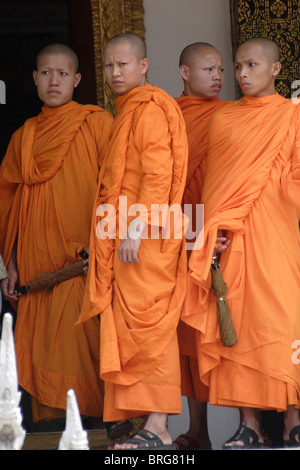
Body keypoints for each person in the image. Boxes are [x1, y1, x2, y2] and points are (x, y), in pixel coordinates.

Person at [182, 36, 300, 448]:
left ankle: (292, 421)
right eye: (238, 66)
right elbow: (215, 185)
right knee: (236, 326)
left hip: (276, 234)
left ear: (276, 70)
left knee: (282, 322)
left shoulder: (292, 116)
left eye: (251, 65)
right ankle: (248, 424)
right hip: (231, 238)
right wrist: (211, 231)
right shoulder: (224, 118)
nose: (242, 74)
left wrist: (274, 184)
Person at [78, 33, 188, 450]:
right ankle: (142, 421)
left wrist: (136, 228)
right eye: (108, 65)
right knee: (129, 329)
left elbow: (157, 175)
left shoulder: (150, 109)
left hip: (145, 237)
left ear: (143, 66)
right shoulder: (125, 112)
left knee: (152, 328)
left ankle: (158, 424)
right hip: (124, 234)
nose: (114, 73)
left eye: (123, 64)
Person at [0, 43, 113, 426]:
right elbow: (9, 205)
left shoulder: (96, 123)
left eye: (63, 74)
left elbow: (116, 187)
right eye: (46, 73)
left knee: (85, 346)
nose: (54, 80)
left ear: (77, 80)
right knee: (42, 349)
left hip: (81, 262)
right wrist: (10, 263)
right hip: (34, 267)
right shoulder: (24, 136)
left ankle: (96, 427)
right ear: (34, 79)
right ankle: (49, 428)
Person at [174, 42, 230, 450]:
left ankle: (253, 425)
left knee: (219, 328)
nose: (219, 77)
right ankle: (199, 430)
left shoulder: (231, 116)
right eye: (209, 69)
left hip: (218, 234)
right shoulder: (170, 117)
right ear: (185, 73)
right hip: (180, 233)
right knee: (187, 334)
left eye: (221, 70)